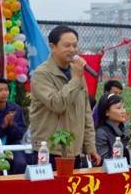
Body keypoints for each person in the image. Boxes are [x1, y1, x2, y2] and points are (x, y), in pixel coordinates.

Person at [30, 25, 101, 168]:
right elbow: (57, 104)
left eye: (75, 45)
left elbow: (86, 112)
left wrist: (90, 146)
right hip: (49, 150)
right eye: (67, 45)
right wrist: (76, 79)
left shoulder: (77, 73)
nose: (73, 50)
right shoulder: (41, 74)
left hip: (74, 150)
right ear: (53, 47)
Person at [95, 94, 129, 160]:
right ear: (107, 112)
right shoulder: (101, 133)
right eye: (118, 108)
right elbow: (104, 160)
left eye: (124, 107)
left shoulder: (125, 129)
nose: (123, 111)